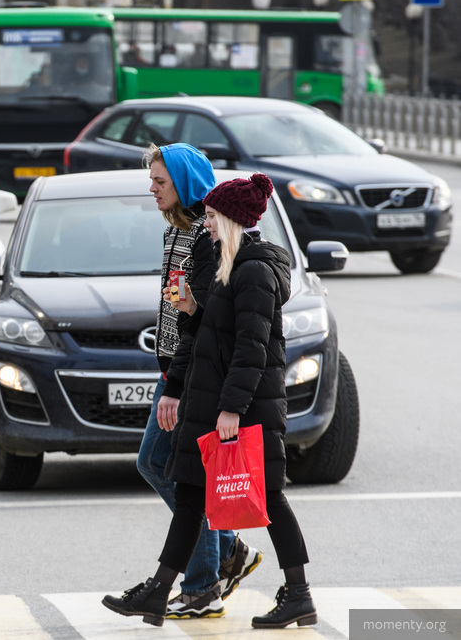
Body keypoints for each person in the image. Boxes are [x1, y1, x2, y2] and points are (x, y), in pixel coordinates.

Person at [103, 173, 317, 630]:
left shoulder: (255, 271)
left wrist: (232, 410)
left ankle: (299, 595)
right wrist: (193, 313)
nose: (207, 224)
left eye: (215, 217)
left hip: (245, 409)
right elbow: (219, 334)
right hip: (214, 401)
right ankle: (160, 591)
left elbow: (252, 348)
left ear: (236, 221)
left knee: (270, 501)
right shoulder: (229, 267)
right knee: (189, 496)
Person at [136, 143, 262, 620]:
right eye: (151, 180)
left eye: (160, 181)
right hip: (175, 369)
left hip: (189, 375)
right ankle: (225, 552)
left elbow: (211, 317)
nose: (152, 188)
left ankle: (205, 580)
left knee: (170, 469)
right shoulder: (177, 231)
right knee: (168, 469)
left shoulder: (205, 239)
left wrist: (175, 383)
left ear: (184, 183)